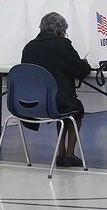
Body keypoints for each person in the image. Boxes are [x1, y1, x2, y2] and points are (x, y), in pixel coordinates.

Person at [20, 12, 92, 167]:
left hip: (31, 104)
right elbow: (81, 71)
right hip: (56, 103)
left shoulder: (29, 47)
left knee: (63, 106)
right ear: (60, 31)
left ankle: (61, 152)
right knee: (75, 110)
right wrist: (85, 63)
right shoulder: (62, 45)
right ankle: (69, 154)